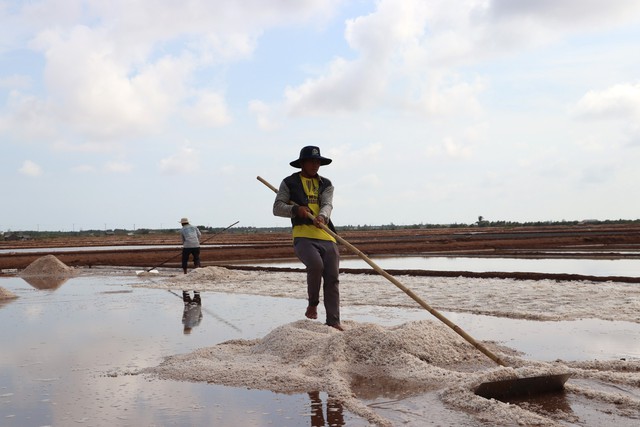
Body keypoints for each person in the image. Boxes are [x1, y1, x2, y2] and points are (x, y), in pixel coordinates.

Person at [273, 146, 343, 331]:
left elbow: (327, 204)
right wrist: (296, 210)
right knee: (316, 266)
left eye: (318, 162)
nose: (315, 165)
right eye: (312, 161)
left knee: (332, 278)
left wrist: (322, 217)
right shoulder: (289, 182)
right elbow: (277, 207)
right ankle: (313, 303)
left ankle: (334, 321)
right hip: (303, 236)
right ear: (302, 163)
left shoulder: (326, 184)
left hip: (327, 235)